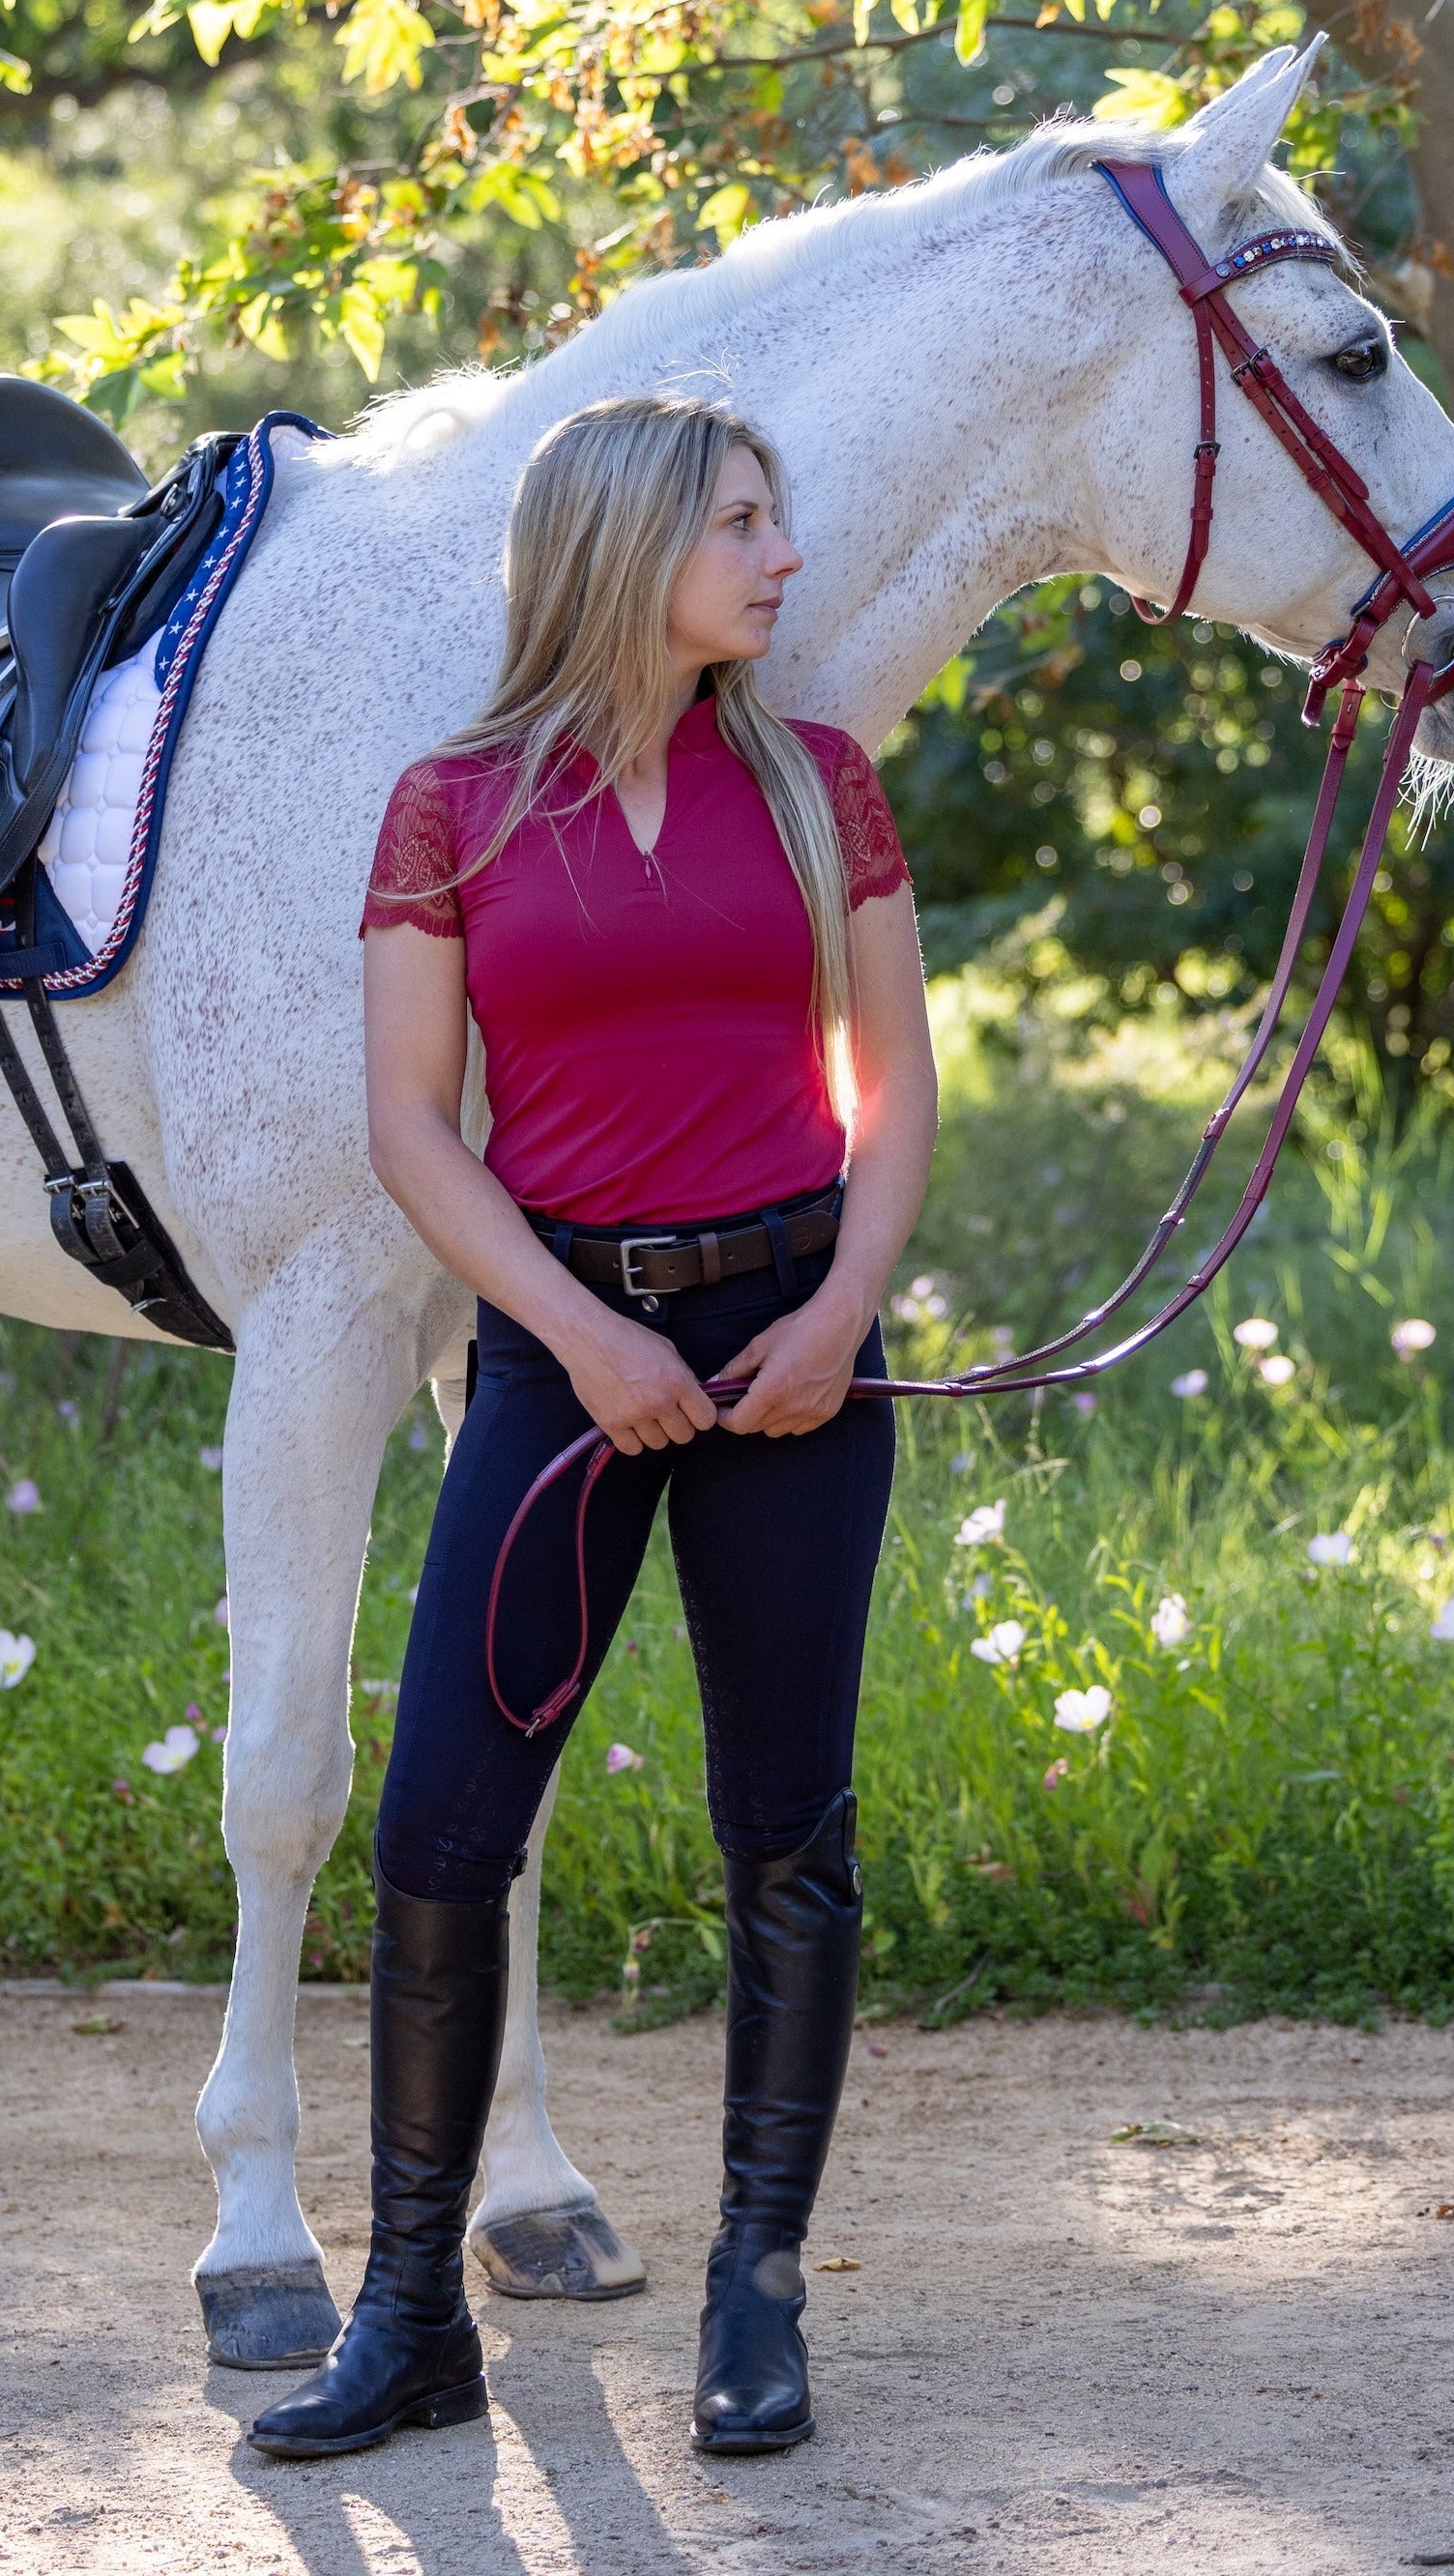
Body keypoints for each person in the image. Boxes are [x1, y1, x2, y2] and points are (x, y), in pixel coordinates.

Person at [248, 393, 937, 2462]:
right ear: (630, 545)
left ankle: (755, 2290)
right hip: (561, 1364)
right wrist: (577, 1334)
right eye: (744, 522)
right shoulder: (452, 807)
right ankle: (410, 2316)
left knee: (787, 1832)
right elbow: (410, 1128)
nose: (782, 557)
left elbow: (897, 1088)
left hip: (796, 1350)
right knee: (440, 1836)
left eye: (776, 521)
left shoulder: (820, 785)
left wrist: (838, 1315)